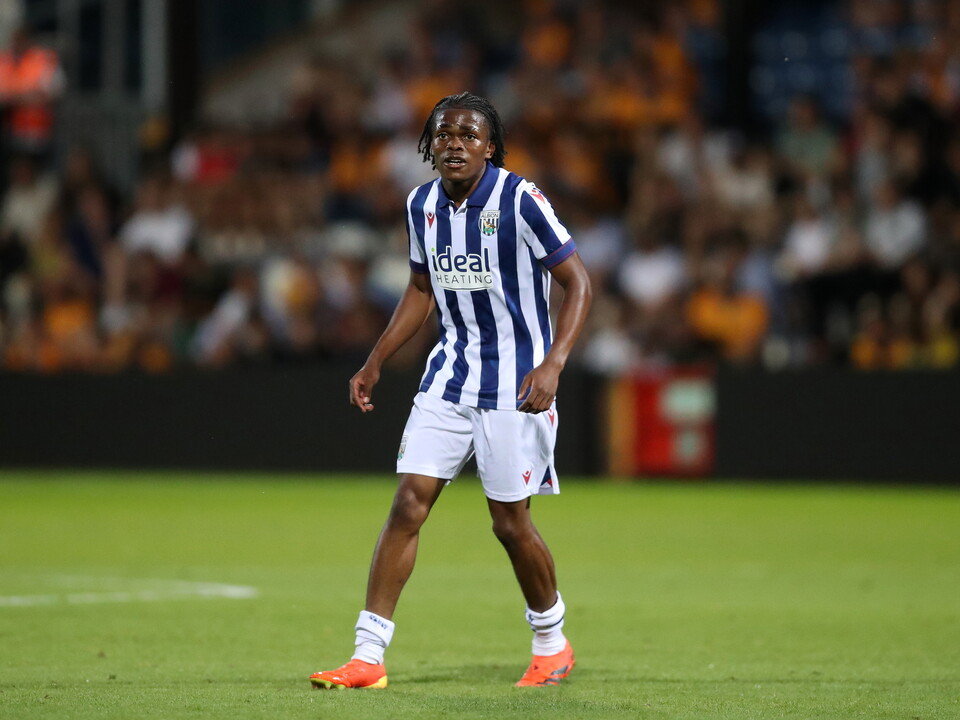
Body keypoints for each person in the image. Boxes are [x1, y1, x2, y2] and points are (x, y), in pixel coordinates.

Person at [309, 92, 592, 689]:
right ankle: (367, 656)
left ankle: (552, 642)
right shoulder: (420, 206)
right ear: (428, 145)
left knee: (510, 524)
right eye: (443, 135)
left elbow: (578, 282)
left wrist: (554, 365)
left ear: (491, 146)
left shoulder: (520, 198)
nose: (454, 144)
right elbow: (420, 289)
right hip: (450, 375)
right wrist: (376, 359)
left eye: (468, 135)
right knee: (409, 501)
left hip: (517, 383)